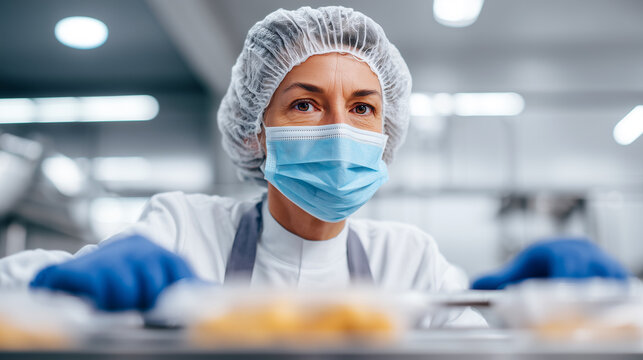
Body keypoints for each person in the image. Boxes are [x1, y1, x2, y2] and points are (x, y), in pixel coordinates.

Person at [0, 6, 628, 323]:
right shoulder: (184, 228)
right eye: (305, 103)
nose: (337, 127)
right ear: (258, 130)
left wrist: (547, 302)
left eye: (362, 108)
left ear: (387, 133)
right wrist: (58, 291)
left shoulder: (409, 259)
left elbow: (489, 336)